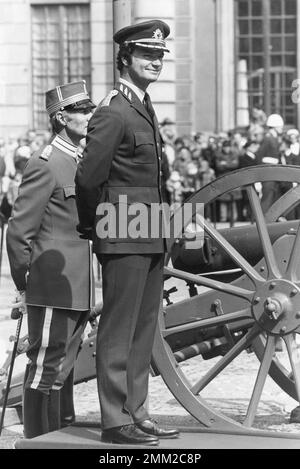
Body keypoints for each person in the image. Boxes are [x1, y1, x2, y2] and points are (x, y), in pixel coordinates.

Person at [75, 20, 179, 446]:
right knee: (119, 329)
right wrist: (95, 227)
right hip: (122, 233)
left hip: (150, 232)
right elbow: (88, 179)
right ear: (125, 58)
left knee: (143, 328)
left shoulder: (144, 106)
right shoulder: (114, 110)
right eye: (146, 55)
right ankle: (116, 421)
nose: (155, 62)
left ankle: (138, 411)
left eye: (159, 56)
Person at [6, 80, 96, 439]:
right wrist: (27, 283)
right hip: (51, 285)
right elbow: (19, 232)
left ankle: (58, 439)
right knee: (44, 367)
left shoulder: (78, 160)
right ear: (62, 117)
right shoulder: (46, 163)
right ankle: (38, 443)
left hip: (77, 285)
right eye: (83, 110)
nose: (90, 115)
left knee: (63, 368)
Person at [256, 113, 284, 213]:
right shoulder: (268, 138)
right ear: (275, 126)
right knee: (266, 199)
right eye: (280, 126)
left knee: (274, 198)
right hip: (268, 172)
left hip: (274, 172)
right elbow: (259, 155)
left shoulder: (274, 138)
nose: (282, 128)